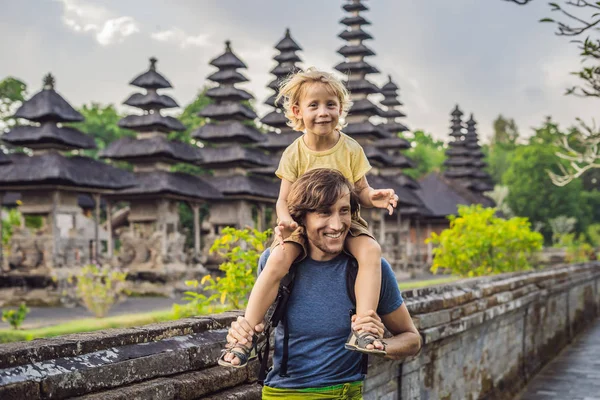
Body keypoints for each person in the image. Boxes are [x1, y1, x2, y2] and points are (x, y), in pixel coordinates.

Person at [218, 68, 400, 367]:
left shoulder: (351, 148)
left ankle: (364, 327)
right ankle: (244, 336)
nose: (323, 112)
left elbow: (361, 191)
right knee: (276, 259)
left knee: (371, 251)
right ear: (296, 111)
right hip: (304, 226)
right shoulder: (294, 153)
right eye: (313, 105)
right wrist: (285, 222)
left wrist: (374, 197)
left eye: (330, 104)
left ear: (340, 109)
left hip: (346, 222)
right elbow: (282, 200)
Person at [223, 168, 421, 399]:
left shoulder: (368, 268)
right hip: (282, 394)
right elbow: (257, 325)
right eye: (324, 213)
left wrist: (380, 345)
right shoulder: (277, 262)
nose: (337, 225)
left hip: (343, 393)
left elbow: (412, 339)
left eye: (344, 211)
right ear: (301, 218)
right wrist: (243, 333)